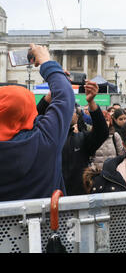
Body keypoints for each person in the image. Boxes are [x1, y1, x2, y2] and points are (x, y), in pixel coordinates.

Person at [0, 44, 75, 201]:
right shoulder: (45, 141)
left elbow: (62, 99)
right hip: (45, 223)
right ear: (28, 113)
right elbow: (64, 97)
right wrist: (48, 64)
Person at [37, 79, 109, 196]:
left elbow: (102, 132)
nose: (67, 111)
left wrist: (91, 102)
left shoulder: (82, 139)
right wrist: (51, 95)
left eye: (72, 109)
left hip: (77, 200)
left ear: (77, 116)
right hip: (48, 201)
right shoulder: (41, 137)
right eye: (62, 108)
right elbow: (32, 120)